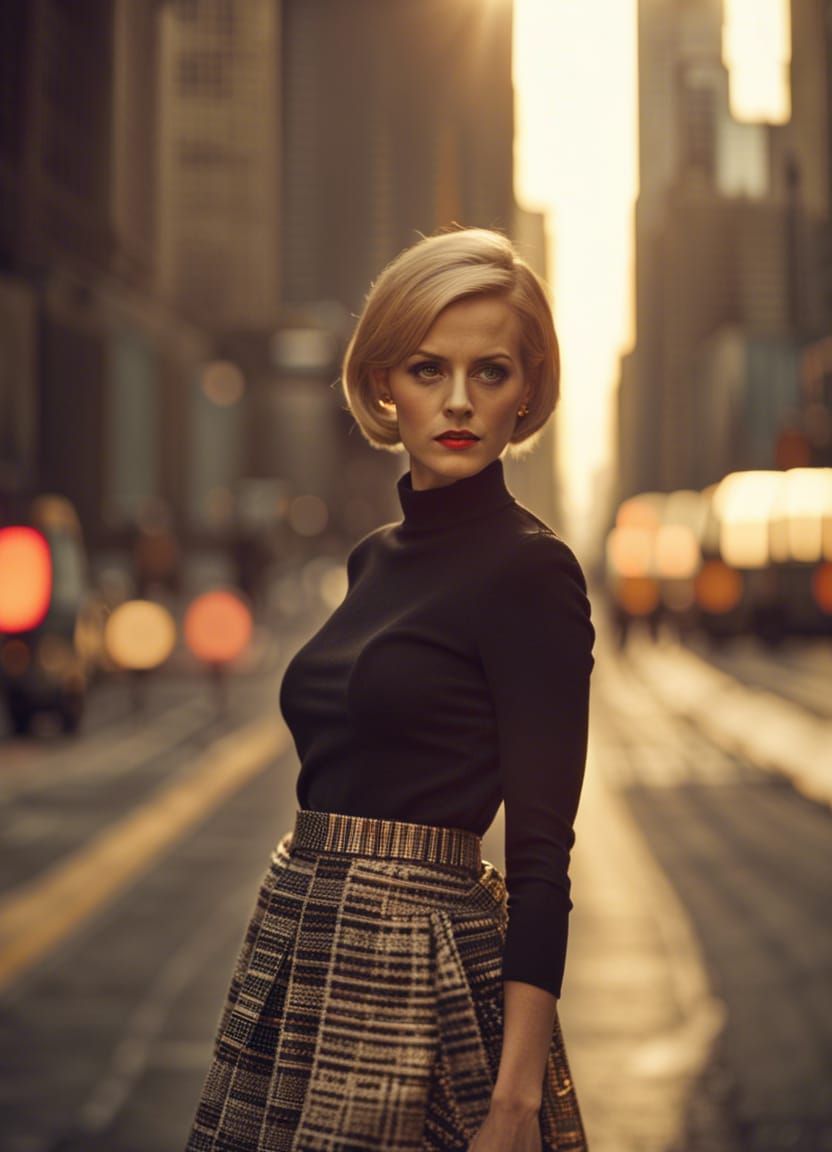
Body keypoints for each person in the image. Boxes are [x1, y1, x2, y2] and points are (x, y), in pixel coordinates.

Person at [185, 228, 595, 1152]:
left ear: (527, 390)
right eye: (425, 368)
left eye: (490, 372)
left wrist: (516, 1102)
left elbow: (540, 857)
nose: (457, 401)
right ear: (382, 383)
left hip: (419, 973)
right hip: (297, 949)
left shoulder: (532, 572)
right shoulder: (372, 557)